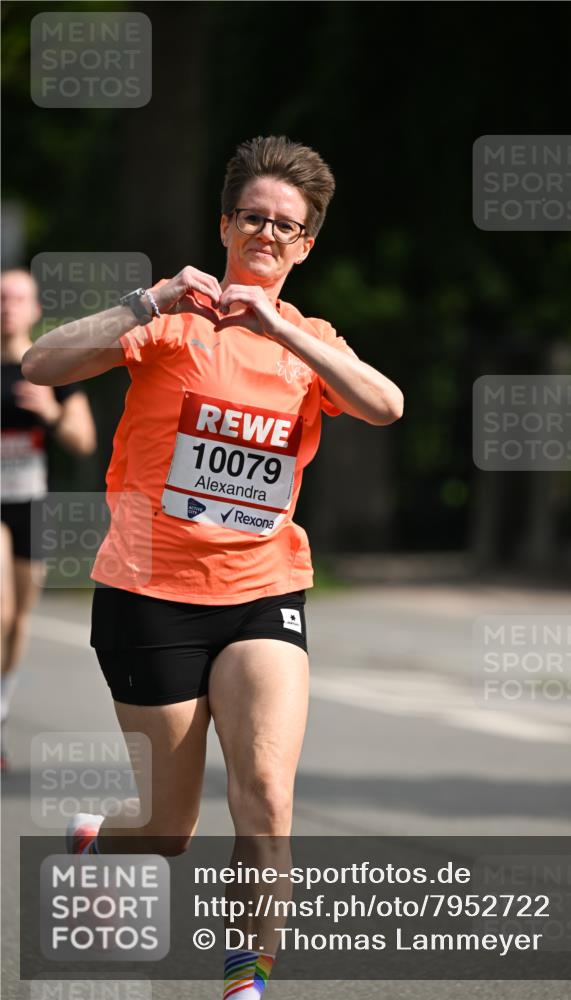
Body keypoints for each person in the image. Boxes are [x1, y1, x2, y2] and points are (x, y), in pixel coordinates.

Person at [21, 135, 404, 998]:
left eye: (286, 226)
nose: (267, 235)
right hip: (148, 591)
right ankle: (97, 838)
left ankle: (244, 981)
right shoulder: (168, 319)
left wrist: (286, 333)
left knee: (266, 797)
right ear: (225, 224)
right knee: (168, 828)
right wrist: (144, 300)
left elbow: (386, 405)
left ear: (305, 245)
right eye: (253, 218)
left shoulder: (308, 342)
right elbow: (39, 364)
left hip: (263, 588)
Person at [1, 268, 96, 769]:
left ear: (35, 309)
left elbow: (84, 440)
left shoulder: (51, 369)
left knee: (18, 621)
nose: (8, 306)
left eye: (18, 298)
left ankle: (1, 705)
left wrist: (50, 411)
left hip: (32, 504)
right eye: (1, 297)